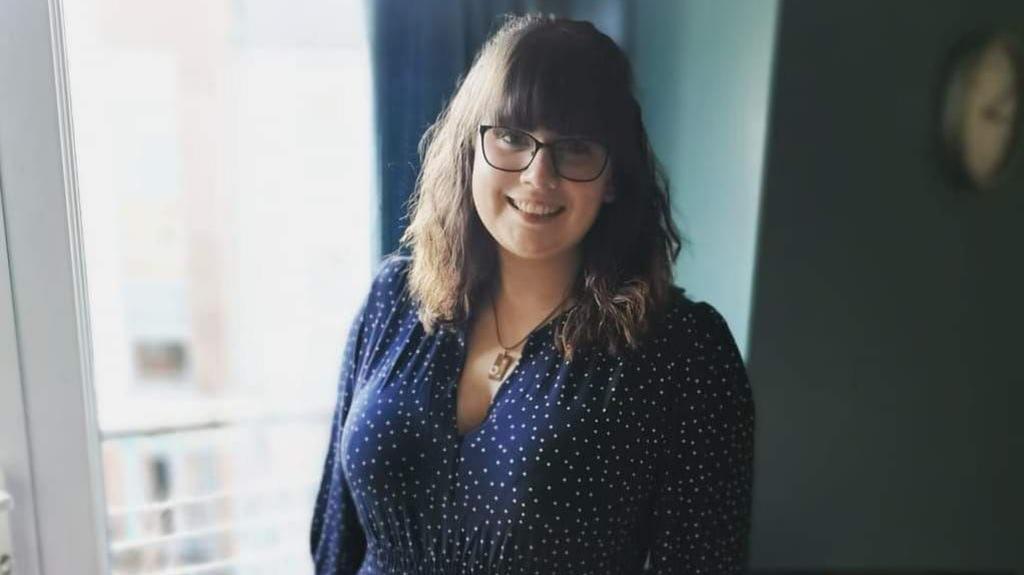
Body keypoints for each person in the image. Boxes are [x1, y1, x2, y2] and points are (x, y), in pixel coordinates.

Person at [310, 13, 755, 575]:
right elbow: (335, 539)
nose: (537, 176)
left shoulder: (683, 352)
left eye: (574, 148)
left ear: (614, 175)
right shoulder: (393, 299)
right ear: (471, 148)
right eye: (513, 137)